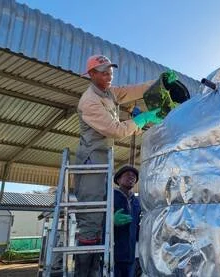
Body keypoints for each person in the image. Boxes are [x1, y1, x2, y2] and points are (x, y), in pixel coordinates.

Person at [74, 54, 162, 277]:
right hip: (92, 161)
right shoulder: (90, 101)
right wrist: (142, 120)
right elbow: (117, 130)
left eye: (110, 71)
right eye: (103, 71)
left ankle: (95, 269)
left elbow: (133, 90)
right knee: (91, 217)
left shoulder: (108, 93)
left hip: (104, 161)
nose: (108, 75)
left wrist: (159, 83)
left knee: (100, 214)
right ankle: (83, 272)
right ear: (91, 74)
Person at [113, 165, 141, 277]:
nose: (132, 177)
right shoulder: (110, 197)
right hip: (114, 252)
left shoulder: (137, 201)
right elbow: (99, 219)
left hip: (131, 253)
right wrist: (112, 222)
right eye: (127, 175)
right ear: (118, 180)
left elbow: (138, 225)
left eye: (134, 177)